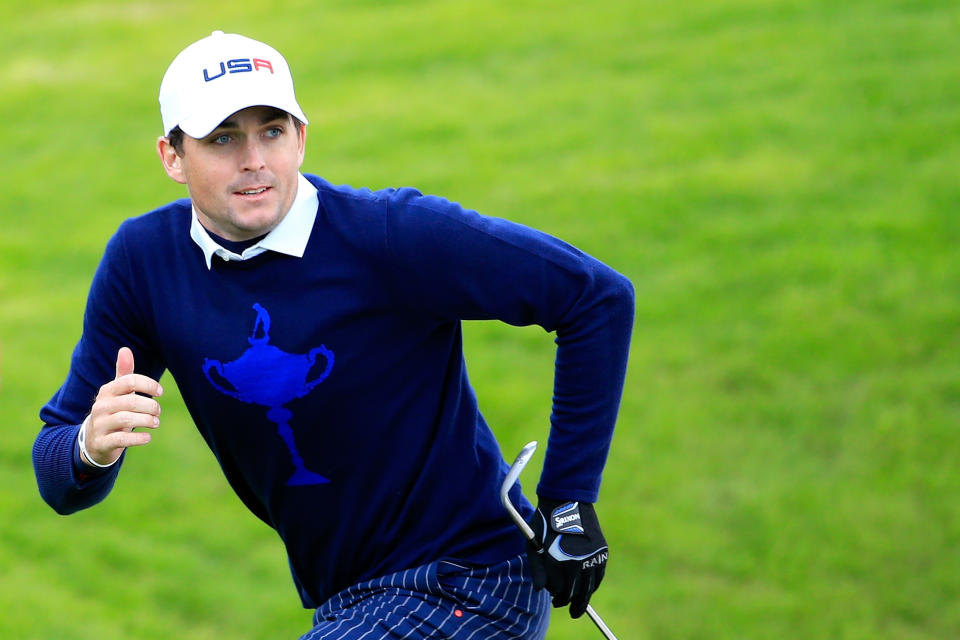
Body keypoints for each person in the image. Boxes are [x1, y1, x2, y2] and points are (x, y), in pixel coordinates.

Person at [32, 31, 634, 639]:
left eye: (272, 131)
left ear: (301, 136)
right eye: (223, 138)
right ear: (172, 156)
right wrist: (90, 445)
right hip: (350, 601)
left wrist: (567, 501)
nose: (254, 161)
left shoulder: (390, 235)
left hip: (470, 580)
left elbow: (595, 297)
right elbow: (55, 470)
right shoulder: (143, 261)